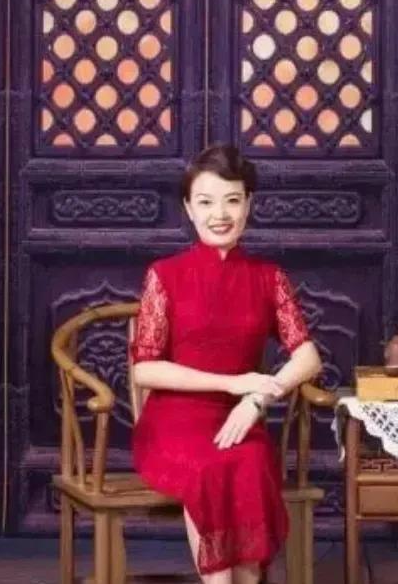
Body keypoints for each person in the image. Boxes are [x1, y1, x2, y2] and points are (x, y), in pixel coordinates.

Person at [130, 144, 322, 584]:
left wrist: (256, 399)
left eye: (232, 200)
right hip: (173, 422)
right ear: (188, 208)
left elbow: (308, 357)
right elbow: (145, 369)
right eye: (205, 202)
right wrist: (234, 383)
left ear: (248, 204)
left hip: (237, 419)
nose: (220, 214)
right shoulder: (165, 274)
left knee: (250, 463)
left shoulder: (268, 277)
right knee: (212, 469)